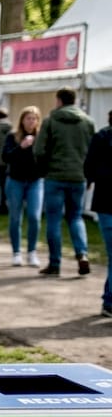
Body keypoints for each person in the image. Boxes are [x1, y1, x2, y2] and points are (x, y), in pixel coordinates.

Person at [35, 87, 95, 277]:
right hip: (78, 176)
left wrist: (44, 170)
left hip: (55, 176)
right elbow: (93, 152)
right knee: (75, 217)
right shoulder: (87, 122)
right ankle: (82, 254)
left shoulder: (51, 120)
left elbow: (39, 150)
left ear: (59, 100)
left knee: (54, 219)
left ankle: (55, 263)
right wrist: (89, 175)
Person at [3, 106, 44, 268]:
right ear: (22, 120)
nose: (31, 121)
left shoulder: (41, 138)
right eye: (28, 118)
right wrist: (21, 147)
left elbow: (45, 157)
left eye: (34, 118)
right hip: (16, 181)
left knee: (34, 216)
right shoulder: (12, 136)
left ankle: (32, 252)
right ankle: (16, 252)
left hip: (35, 181)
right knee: (15, 217)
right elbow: (5, 157)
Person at [84, 110, 112, 317]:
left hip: (105, 201)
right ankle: (109, 301)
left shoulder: (101, 136)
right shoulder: (101, 137)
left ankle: (109, 300)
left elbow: (89, 168)